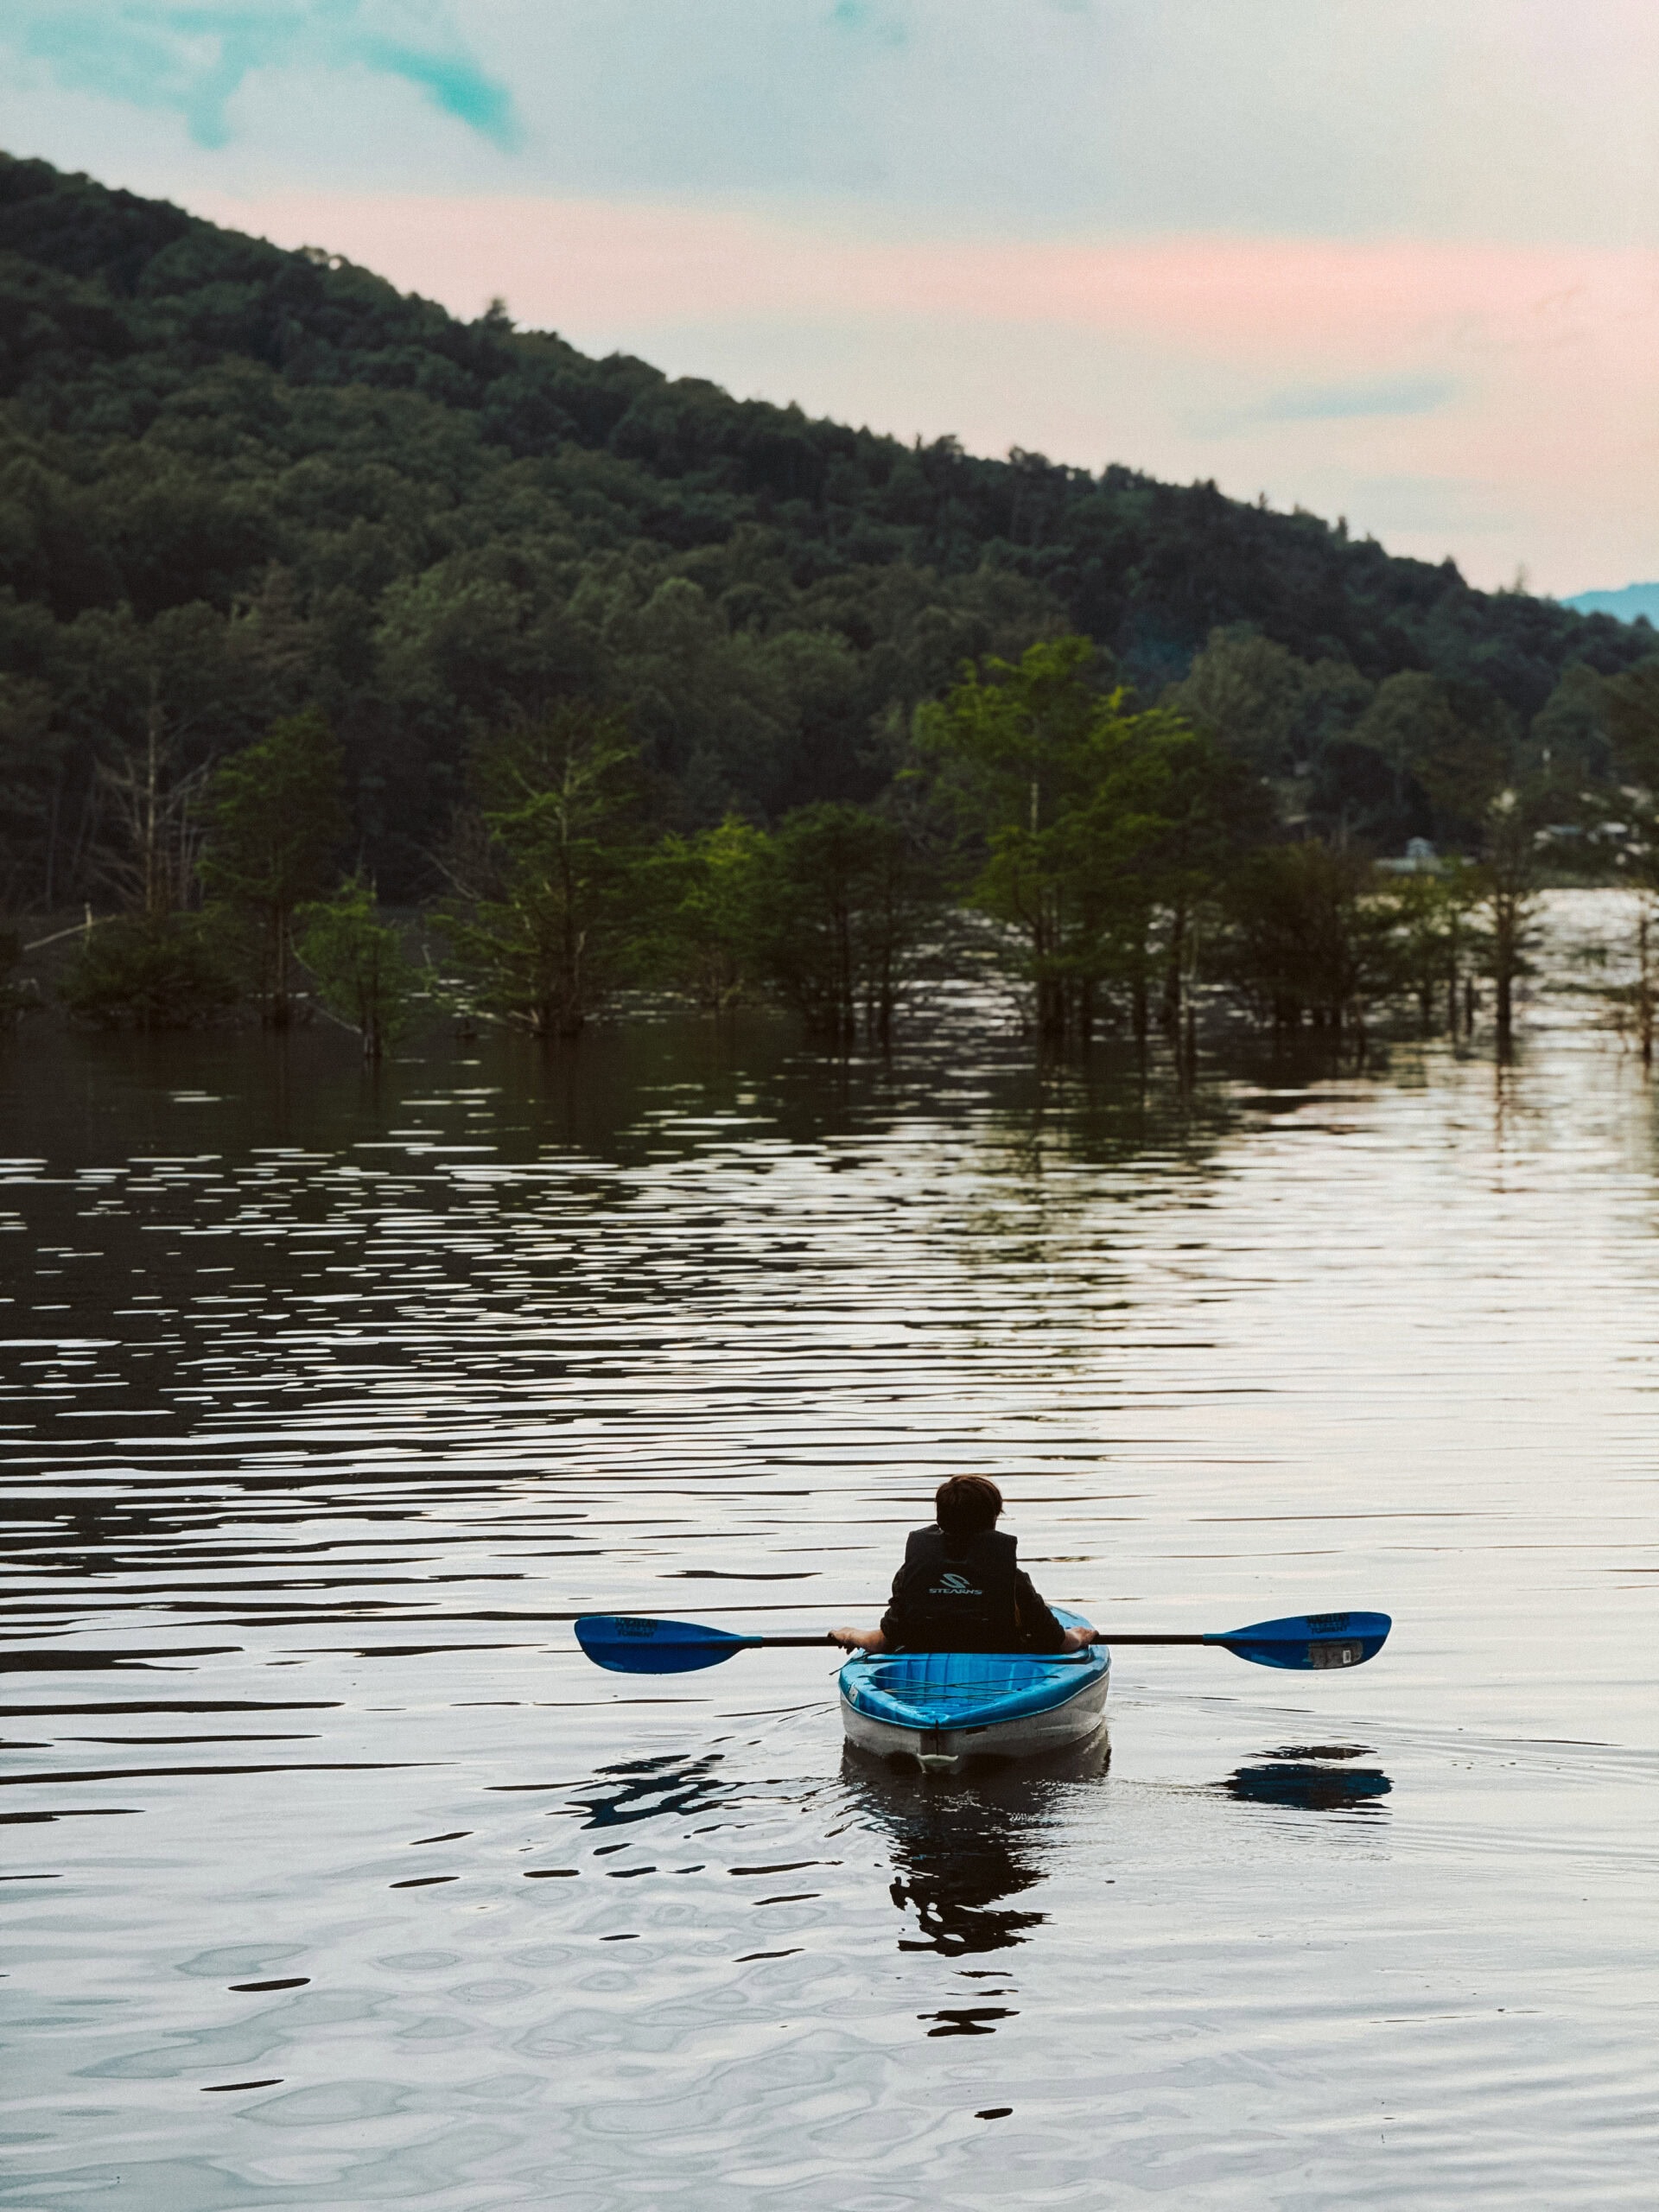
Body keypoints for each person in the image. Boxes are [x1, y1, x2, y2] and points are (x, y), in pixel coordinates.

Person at [830, 1475, 1094, 1655]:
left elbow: (885, 1642)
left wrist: (852, 1635)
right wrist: (1080, 1637)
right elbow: (1056, 1643)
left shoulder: (913, 1574)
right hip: (1000, 1676)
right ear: (993, 1520)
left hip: (923, 1678)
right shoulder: (1013, 1581)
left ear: (940, 1518)